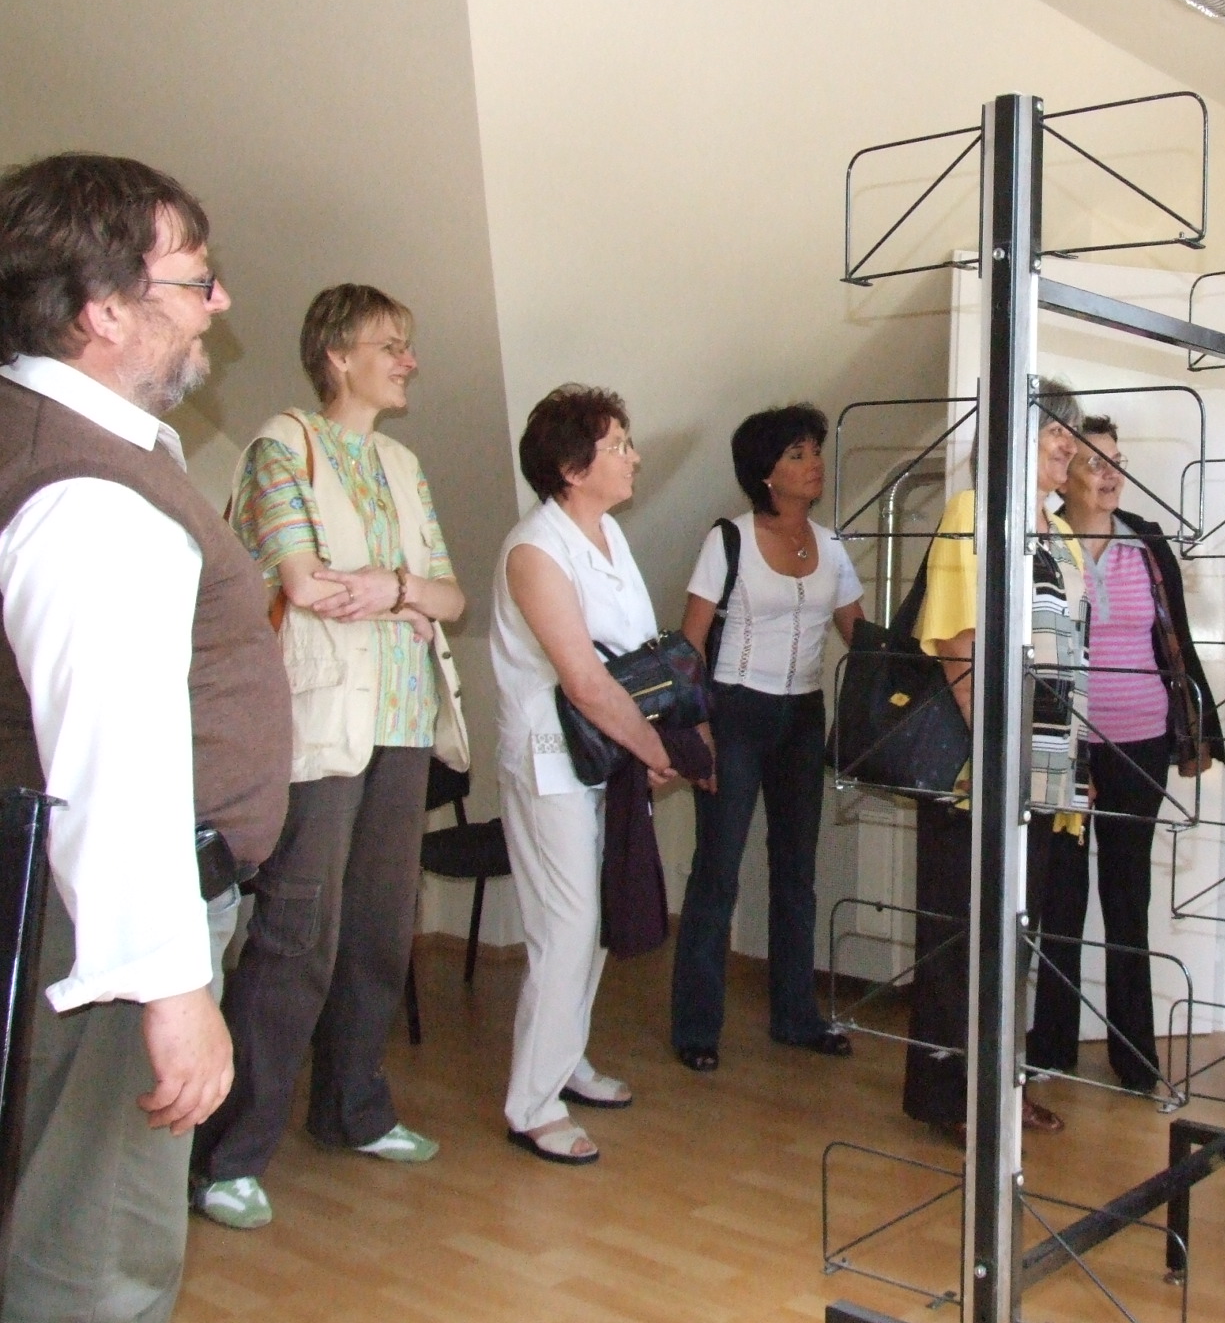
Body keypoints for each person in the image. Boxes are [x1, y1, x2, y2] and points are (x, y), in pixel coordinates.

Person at [0, 153, 289, 1319]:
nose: (219, 302)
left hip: (77, 912)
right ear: (103, 310)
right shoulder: (91, 498)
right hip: (108, 940)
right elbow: (109, 762)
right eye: (196, 279)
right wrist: (170, 989)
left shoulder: (76, 442)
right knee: (96, 1257)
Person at [192, 284, 469, 1228]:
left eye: (407, 344)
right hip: (320, 728)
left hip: (403, 722)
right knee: (296, 938)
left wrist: (393, 587)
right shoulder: (281, 447)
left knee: (381, 933)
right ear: (337, 355)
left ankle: (352, 1110)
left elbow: (451, 597)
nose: (409, 360)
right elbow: (308, 584)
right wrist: (404, 592)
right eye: (391, 345)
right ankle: (228, 1156)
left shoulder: (402, 461)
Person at [492, 386, 678, 1165]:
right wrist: (654, 750)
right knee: (565, 928)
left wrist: (652, 740)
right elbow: (584, 680)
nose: (634, 456)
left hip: (607, 752)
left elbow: (635, 656)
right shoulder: (535, 551)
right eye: (618, 445)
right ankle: (531, 1106)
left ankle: (564, 1062)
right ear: (571, 468)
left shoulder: (606, 533)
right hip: (553, 760)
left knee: (594, 918)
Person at [902, 381, 1086, 1140]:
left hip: (1044, 763)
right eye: (1053, 433)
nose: (1068, 446)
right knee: (960, 933)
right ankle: (950, 1097)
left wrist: (1066, 759)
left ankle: (1004, 1086)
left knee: (1018, 935)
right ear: (1010, 439)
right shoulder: (973, 514)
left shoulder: (1061, 532)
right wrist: (995, 753)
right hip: (981, 768)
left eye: (1071, 434)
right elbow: (956, 642)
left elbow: (1069, 653)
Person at [1026, 415, 1224, 1094]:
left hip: (1142, 744)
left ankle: (1135, 1059)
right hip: (1065, 744)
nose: (1110, 475)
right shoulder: (1041, 538)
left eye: (1118, 461)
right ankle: (1051, 1045)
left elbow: (1177, 640)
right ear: (1064, 475)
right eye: (1094, 462)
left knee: (1128, 898)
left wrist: (1198, 731)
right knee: (1060, 898)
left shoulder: (1147, 542)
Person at [670, 404, 863, 1070]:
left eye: (814, 451)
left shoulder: (831, 546)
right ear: (765, 473)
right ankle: (696, 1028)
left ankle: (795, 1016)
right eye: (797, 454)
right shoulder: (728, 540)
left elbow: (860, 636)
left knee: (797, 872)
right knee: (718, 870)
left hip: (803, 716)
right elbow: (690, 644)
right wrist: (697, 727)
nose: (814, 464)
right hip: (735, 712)